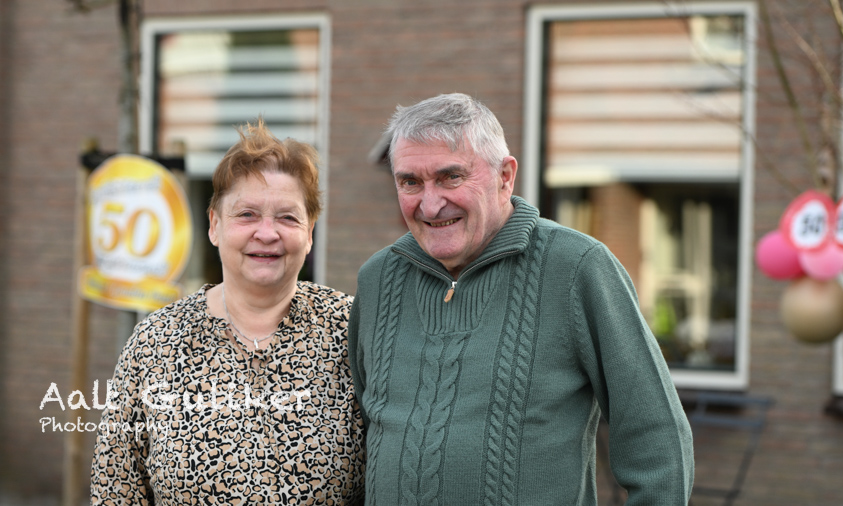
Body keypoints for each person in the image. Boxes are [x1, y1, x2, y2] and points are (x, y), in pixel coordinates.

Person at [348, 93, 694, 505]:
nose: (430, 203)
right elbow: (361, 441)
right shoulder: (377, 280)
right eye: (410, 182)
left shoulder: (578, 267)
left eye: (451, 177)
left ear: (505, 177)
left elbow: (657, 438)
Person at [90, 119, 365, 504]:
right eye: (247, 214)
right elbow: (115, 488)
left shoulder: (353, 330)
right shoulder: (156, 343)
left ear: (310, 231)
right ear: (215, 226)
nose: (267, 233)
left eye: (287, 217)